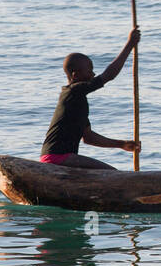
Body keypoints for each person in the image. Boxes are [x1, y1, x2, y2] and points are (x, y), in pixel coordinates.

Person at [40, 27, 141, 169]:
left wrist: (122, 144)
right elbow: (109, 75)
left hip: (58, 158)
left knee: (109, 173)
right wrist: (130, 45)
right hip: (57, 158)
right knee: (112, 173)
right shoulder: (74, 92)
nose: (93, 74)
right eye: (89, 71)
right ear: (76, 76)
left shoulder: (77, 101)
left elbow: (88, 138)